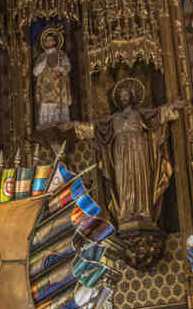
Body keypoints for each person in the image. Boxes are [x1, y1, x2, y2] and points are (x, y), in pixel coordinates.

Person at [73, 81, 182, 228]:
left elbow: (158, 114)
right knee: (123, 182)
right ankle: (125, 214)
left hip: (139, 151)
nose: (124, 98)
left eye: (126, 95)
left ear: (132, 97)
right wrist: (75, 126)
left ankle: (144, 212)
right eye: (121, 96)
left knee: (140, 179)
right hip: (120, 154)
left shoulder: (140, 114)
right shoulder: (113, 119)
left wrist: (173, 106)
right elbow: (96, 128)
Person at [33, 27, 72, 126]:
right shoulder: (42, 57)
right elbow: (36, 72)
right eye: (47, 40)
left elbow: (67, 68)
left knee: (60, 117)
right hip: (46, 89)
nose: (49, 42)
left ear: (55, 41)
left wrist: (59, 68)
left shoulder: (61, 55)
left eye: (51, 40)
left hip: (59, 87)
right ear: (44, 43)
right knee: (47, 116)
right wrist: (44, 62)